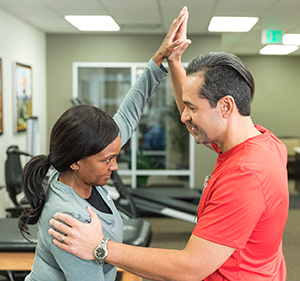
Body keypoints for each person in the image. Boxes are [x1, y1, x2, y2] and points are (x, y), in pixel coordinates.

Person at [48, 6, 289, 281]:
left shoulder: (246, 175)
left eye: (193, 109)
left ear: (225, 107)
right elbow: (187, 114)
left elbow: (191, 267)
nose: (184, 117)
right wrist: (174, 63)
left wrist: (101, 248)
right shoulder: (263, 143)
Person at [18, 7, 189, 281]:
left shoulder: (80, 162)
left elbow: (129, 112)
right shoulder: (68, 219)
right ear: (76, 159)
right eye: (107, 160)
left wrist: (160, 58)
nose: (115, 165)